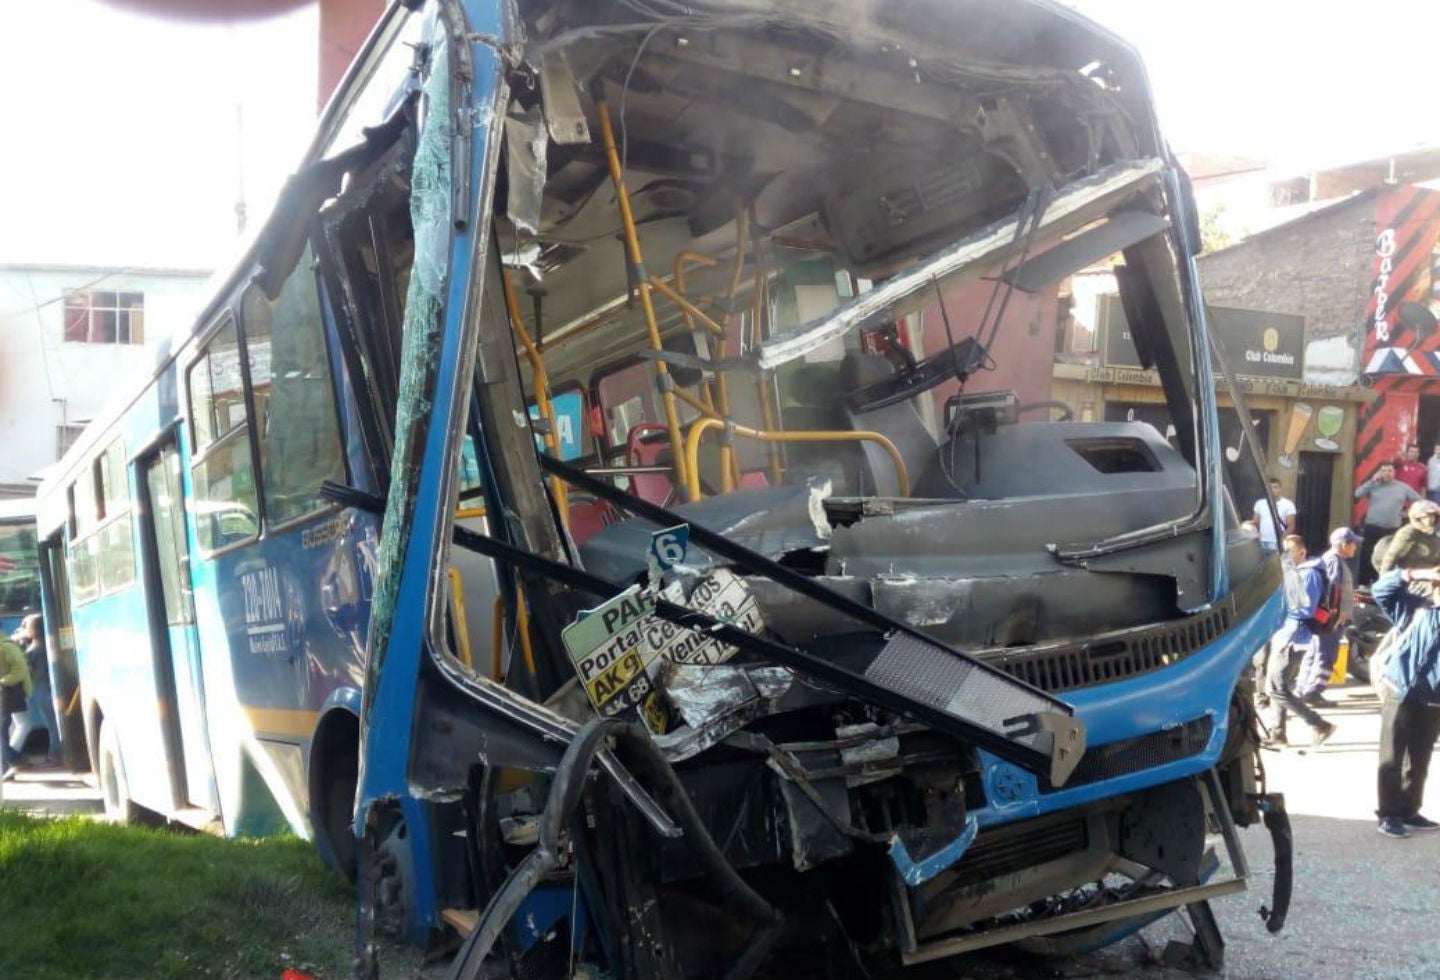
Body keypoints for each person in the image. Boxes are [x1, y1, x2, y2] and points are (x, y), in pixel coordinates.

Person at [1257, 527, 1355, 748]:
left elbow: (1304, 609)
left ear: (1301, 552)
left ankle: (1319, 724)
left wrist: (1277, 610)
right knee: (1278, 686)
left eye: (1289, 552)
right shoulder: (1295, 572)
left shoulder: (1308, 574)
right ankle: (1278, 732)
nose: (1285, 557)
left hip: (1293, 637)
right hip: (1286, 635)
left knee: (1276, 689)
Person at [1368, 564, 1440, 838]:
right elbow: (1380, 591)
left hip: (1434, 698)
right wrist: (1412, 574)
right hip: (1400, 690)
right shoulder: (1416, 609)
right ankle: (1389, 814)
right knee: (1392, 755)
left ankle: (1409, 809)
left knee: (1420, 757)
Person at [1294, 528, 1359, 706]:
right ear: (1344, 545)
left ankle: (1302, 690)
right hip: (1332, 620)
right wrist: (1336, 615)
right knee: (1326, 654)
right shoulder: (1333, 561)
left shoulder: (1333, 560)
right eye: (1353, 544)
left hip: (1329, 619)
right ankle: (1313, 692)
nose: (1355, 548)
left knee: (1315, 652)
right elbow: (1332, 591)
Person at [1355, 463, 1421, 585]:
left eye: (1389, 470)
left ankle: (1383, 582)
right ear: (1379, 472)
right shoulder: (1374, 485)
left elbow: (1419, 501)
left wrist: (1408, 512)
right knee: (1367, 555)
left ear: (1394, 472)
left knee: (1389, 556)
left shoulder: (1402, 487)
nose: (1387, 473)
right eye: (1383, 470)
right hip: (1372, 526)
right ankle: (1363, 583)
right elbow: (1357, 494)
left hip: (1392, 528)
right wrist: (1371, 481)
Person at [11, 614, 59, 765]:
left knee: (50, 723)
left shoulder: (33, 650)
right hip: (44, 688)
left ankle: (55, 753)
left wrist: (18, 641)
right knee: (51, 723)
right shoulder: (45, 645)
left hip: (39, 690)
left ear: (32, 630)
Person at [1376, 498, 1440, 574]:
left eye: (1432, 516)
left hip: (1430, 575)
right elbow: (1392, 556)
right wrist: (1385, 577)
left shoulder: (1432, 535)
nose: (1429, 520)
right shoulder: (1408, 532)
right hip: (1408, 577)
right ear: (1417, 518)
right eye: (1425, 517)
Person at [0, 629, 31, 780]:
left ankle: (15, 760)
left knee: (2, 731)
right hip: (6, 694)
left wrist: (2, 682)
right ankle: (9, 766)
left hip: (6, 694)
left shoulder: (6, 647)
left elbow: (20, 670)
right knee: (3, 732)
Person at [1253, 478, 1297, 555]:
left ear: (1280, 489)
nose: (1273, 490)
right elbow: (1255, 523)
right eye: (1270, 488)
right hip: (1262, 542)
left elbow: (1291, 526)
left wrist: (1281, 539)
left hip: (1279, 543)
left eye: (1275, 487)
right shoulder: (1260, 503)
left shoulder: (1288, 504)